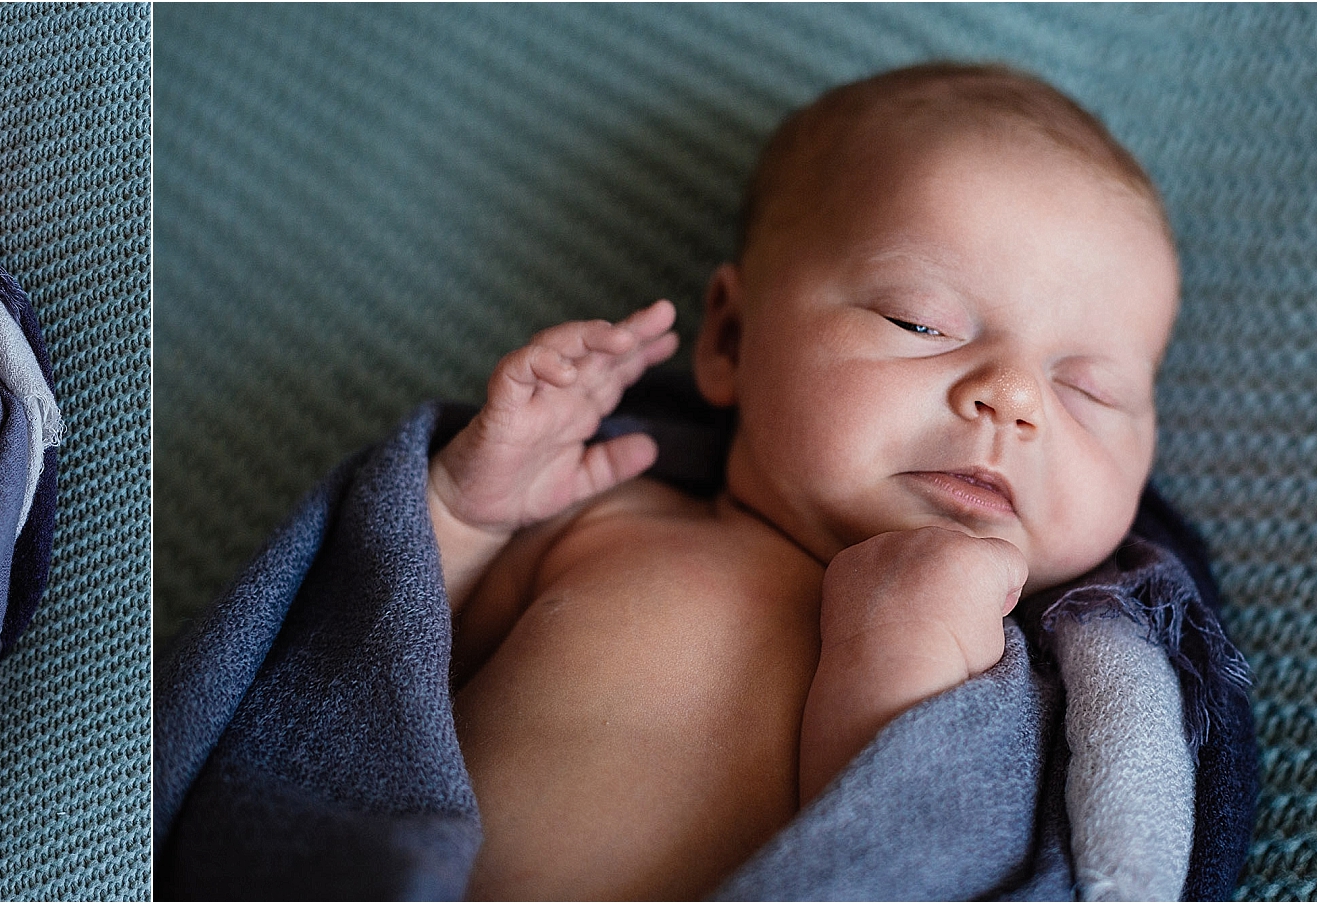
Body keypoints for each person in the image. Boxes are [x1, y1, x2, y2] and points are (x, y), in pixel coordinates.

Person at [427, 62, 1182, 899]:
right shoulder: (600, 521)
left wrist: (909, 647)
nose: (1013, 398)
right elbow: (389, 679)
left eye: (1089, 390)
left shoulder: (1024, 688)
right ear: (730, 338)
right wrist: (465, 513)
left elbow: (909, 864)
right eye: (919, 321)